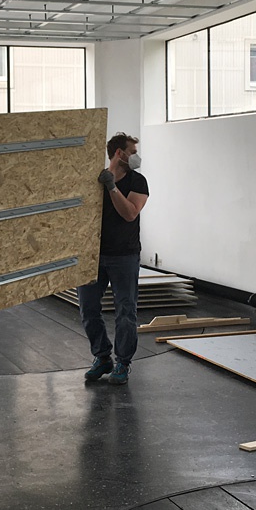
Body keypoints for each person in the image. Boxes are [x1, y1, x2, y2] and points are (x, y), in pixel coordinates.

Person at [77, 133, 149, 385]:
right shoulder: (94, 180)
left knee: (125, 311)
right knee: (88, 309)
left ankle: (123, 363)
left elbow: (130, 213)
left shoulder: (137, 181)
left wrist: (111, 187)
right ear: (119, 153)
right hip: (93, 256)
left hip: (124, 255)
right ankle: (102, 357)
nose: (136, 157)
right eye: (132, 152)